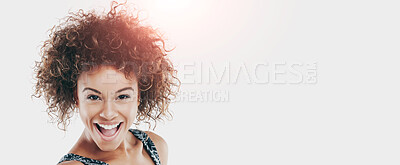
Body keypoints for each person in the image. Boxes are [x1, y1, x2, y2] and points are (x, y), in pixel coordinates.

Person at [33, 2, 179, 165]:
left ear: (138, 95)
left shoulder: (155, 147)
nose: (108, 113)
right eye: (94, 97)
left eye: (122, 96)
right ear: (76, 97)